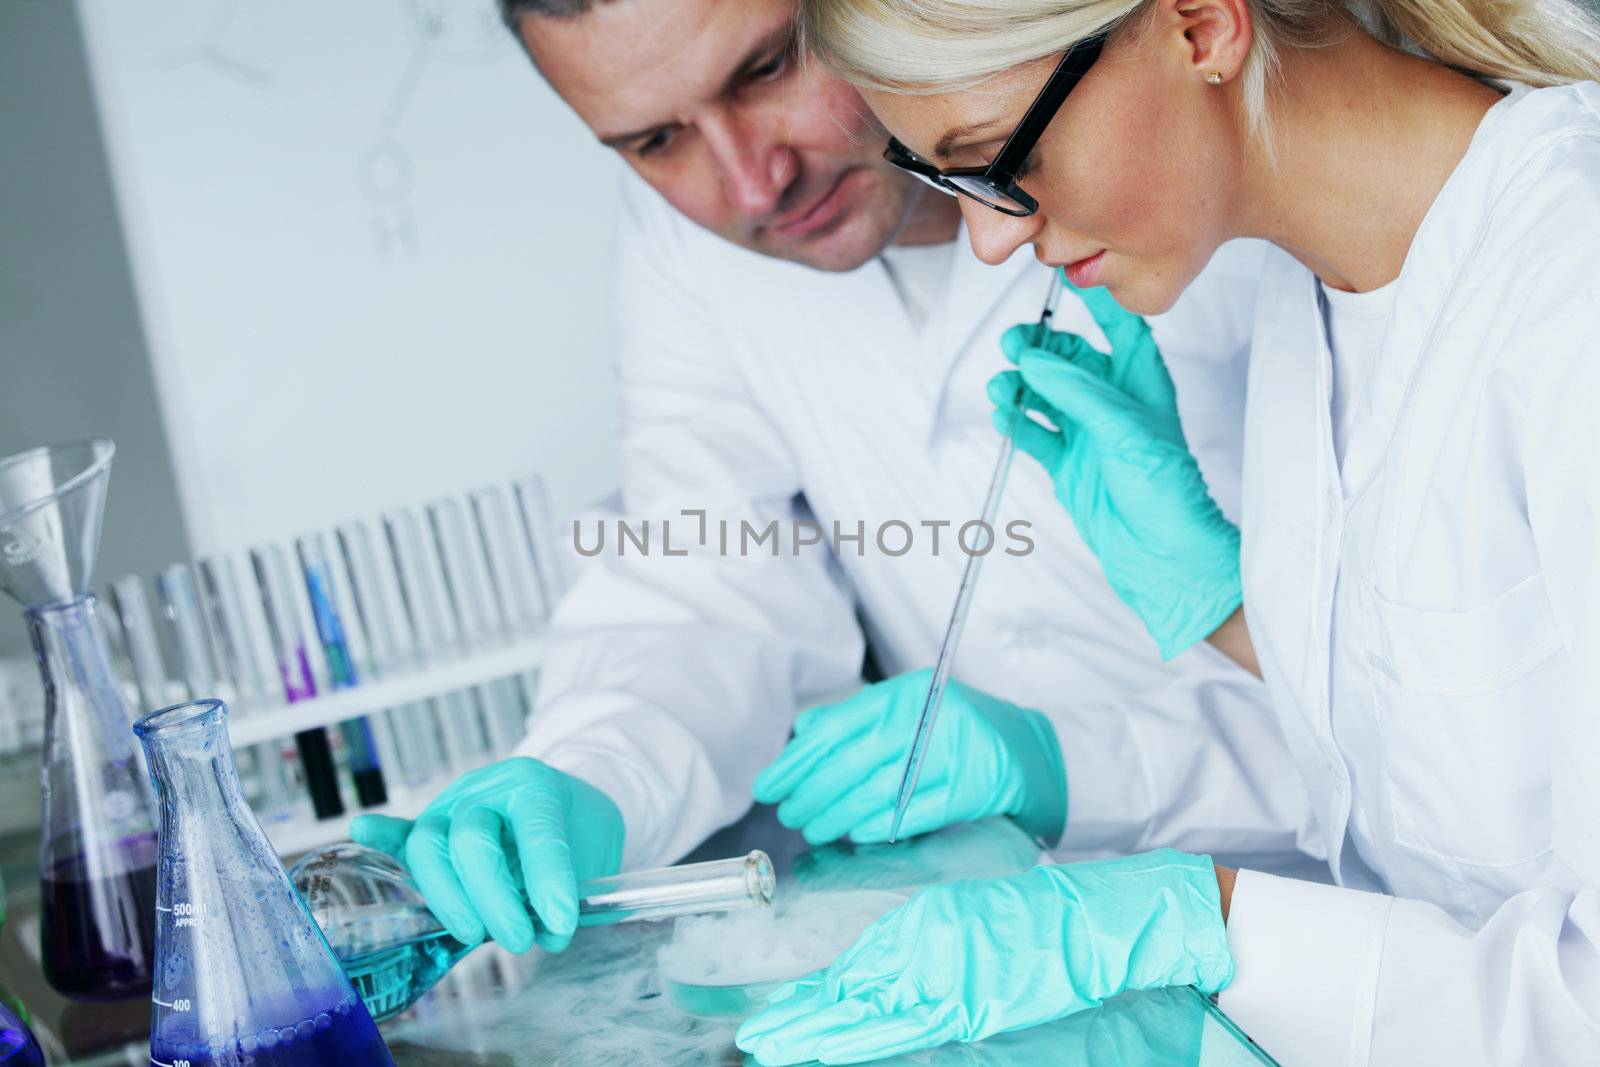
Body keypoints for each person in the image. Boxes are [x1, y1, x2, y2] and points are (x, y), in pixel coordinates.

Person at [348, 0, 1317, 960]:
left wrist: (1075, 764)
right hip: (996, 934)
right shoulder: (688, 234)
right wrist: (590, 774)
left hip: (1341, 910)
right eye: (653, 139)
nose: (754, 181)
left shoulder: (1196, 143)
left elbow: (1422, 697)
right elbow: (709, 568)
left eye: (766, 68)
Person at [734, 0, 1600, 1063]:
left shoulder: (1574, 286)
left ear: (1201, 25)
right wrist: (1231, 604)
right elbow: (1473, 743)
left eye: (997, 157)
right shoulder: (1317, 287)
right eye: (946, 180)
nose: (993, 236)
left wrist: (1198, 925)